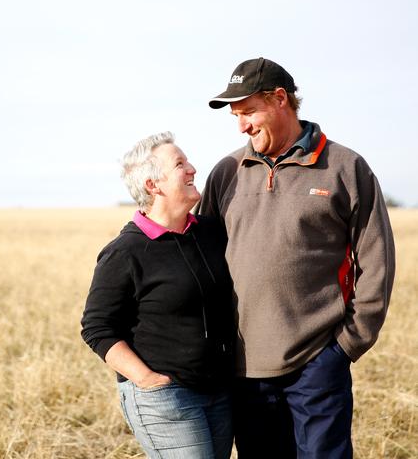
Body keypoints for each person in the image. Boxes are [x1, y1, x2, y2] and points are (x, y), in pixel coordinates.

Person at [198, 57, 396, 458]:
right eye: (236, 116)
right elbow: (202, 262)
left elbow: (377, 260)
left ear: (280, 99)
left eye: (249, 112)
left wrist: (346, 345)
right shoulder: (226, 172)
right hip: (245, 367)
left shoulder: (344, 167)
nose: (242, 126)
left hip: (318, 362)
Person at [81, 132, 235, 459]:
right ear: (154, 185)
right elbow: (97, 327)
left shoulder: (209, 233)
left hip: (219, 391)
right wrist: (147, 379)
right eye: (180, 164)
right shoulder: (126, 252)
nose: (192, 168)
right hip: (166, 396)